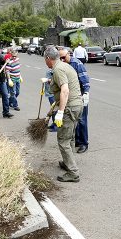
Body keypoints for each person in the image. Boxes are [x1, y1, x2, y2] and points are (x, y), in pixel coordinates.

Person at [43, 46, 83, 183]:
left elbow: (65, 90)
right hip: (77, 105)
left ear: (48, 58)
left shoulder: (58, 70)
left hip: (69, 108)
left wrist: (60, 112)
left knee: (63, 140)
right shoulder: (64, 66)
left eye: (45, 59)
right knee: (70, 137)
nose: (45, 61)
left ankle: (73, 172)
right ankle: (68, 163)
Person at [59, 48, 90, 154]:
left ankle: (83, 143)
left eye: (63, 57)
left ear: (69, 54)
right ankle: (76, 140)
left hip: (80, 95)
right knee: (73, 119)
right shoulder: (62, 65)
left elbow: (85, 80)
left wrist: (86, 93)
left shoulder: (76, 64)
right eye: (60, 58)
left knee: (81, 120)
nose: (62, 60)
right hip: (70, 96)